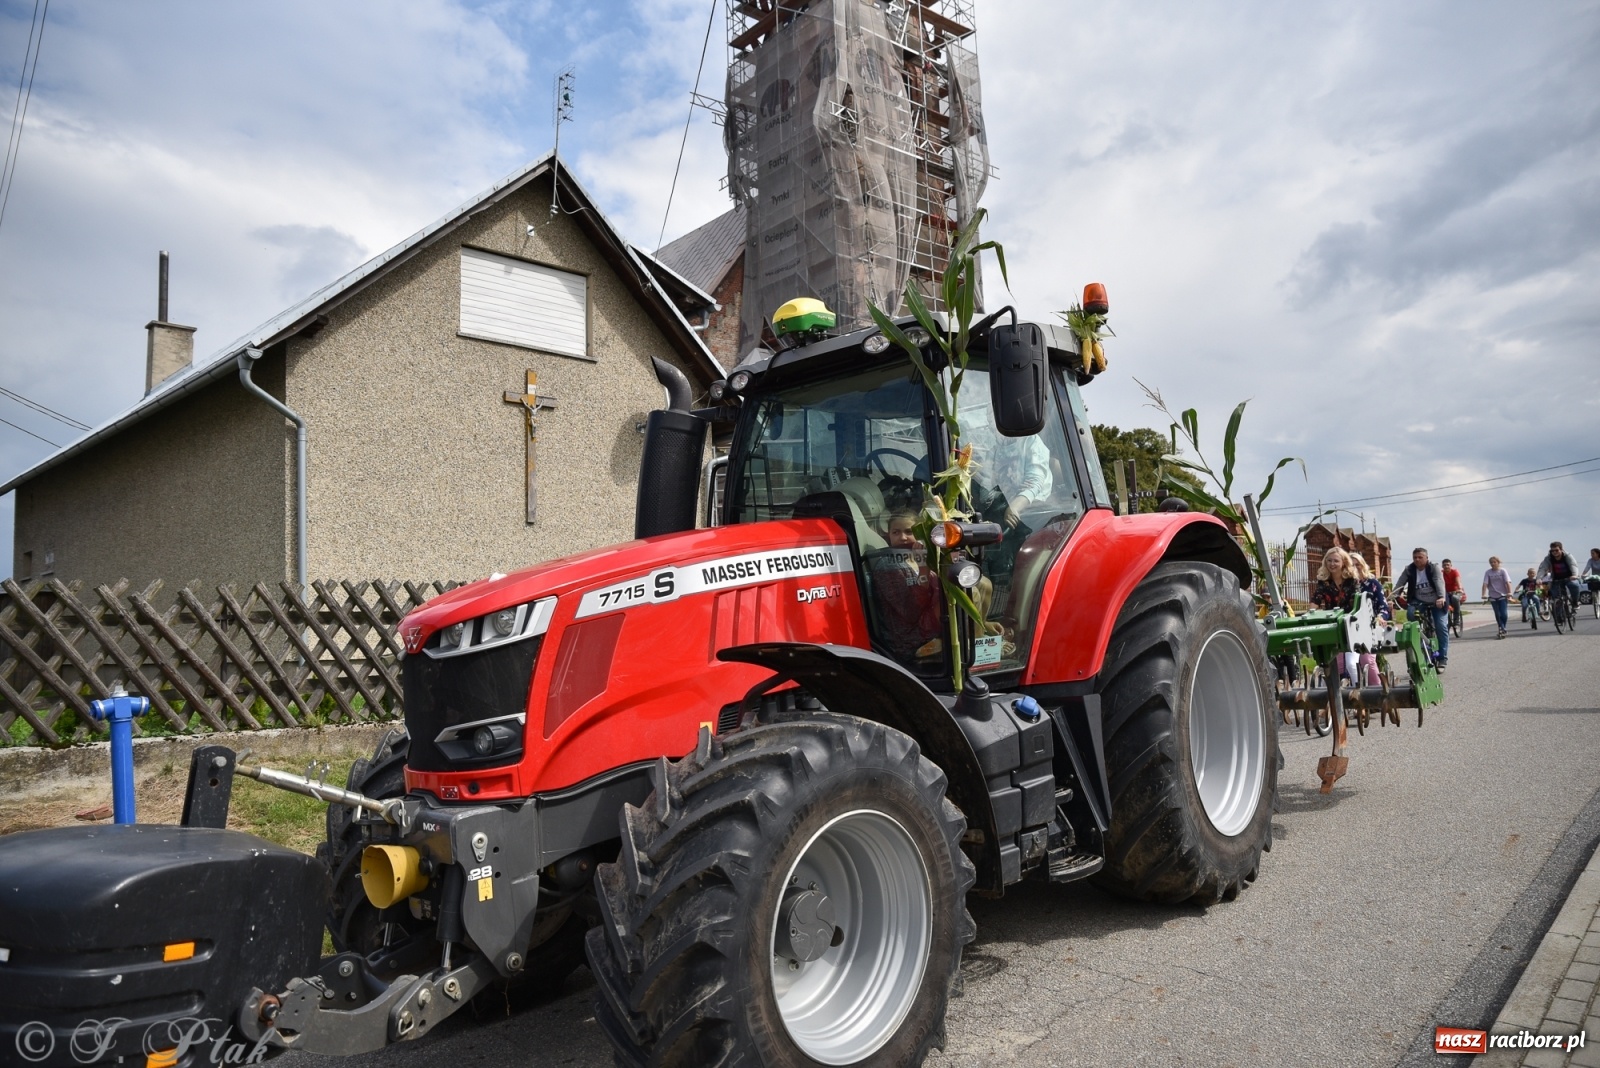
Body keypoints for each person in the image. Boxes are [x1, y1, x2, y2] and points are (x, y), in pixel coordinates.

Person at [867, 511, 942, 662]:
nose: (902, 537)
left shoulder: (925, 557)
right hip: (909, 638)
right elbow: (910, 613)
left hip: (928, 623)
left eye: (909, 531)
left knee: (982, 585)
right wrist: (923, 570)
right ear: (889, 535)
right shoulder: (888, 567)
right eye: (896, 532)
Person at [1393, 547, 1449, 670]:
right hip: (1419, 601)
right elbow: (1400, 583)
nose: (1417, 560)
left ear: (1426, 558)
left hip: (1437, 601)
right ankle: (1420, 638)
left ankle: (1442, 658)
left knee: (1441, 626)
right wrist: (1393, 596)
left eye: (1420, 557)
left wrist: (1440, 597)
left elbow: (1439, 581)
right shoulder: (1409, 569)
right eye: (1415, 558)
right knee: (1411, 614)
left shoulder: (1433, 568)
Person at [1312, 547, 1361, 682]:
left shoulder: (1352, 580)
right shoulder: (1324, 581)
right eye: (1329, 561)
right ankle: (1331, 694)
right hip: (1333, 625)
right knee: (1329, 664)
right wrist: (1310, 616)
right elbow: (1315, 601)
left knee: (1351, 664)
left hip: (1351, 625)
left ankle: (1361, 691)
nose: (1332, 564)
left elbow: (1358, 603)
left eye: (1336, 561)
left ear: (1344, 562)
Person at [1350, 554, 1390, 685]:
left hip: (1369, 628)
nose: (1355, 568)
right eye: (1351, 565)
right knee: (1340, 663)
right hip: (1349, 628)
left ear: (1363, 565)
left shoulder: (1372, 583)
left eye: (1358, 564)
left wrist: (1380, 617)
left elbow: (1383, 607)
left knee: (1366, 660)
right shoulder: (1345, 585)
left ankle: (1377, 694)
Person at [1536, 541, 1583, 623]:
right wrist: (1539, 578)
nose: (1554, 552)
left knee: (1574, 585)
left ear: (1561, 549)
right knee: (1557, 599)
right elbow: (1543, 568)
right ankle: (1559, 618)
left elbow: (1573, 565)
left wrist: (1574, 575)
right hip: (1556, 580)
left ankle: (1575, 602)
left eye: (1556, 550)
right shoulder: (1549, 558)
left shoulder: (1567, 556)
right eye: (1552, 551)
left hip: (1569, 578)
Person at [1481, 556, 1512, 639]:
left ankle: (1503, 627)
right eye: (1491, 562)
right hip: (1492, 595)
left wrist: (1509, 592)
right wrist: (1484, 594)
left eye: (1494, 562)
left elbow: (1507, 582)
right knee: (1497, 614)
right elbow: (1485, 584)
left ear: (1498, 562)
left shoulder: (1502, 571)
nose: (1492, 564)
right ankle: (1501, 628)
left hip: (1503, 595)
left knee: (1504, 614)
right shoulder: (1488, 572)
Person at [1442, 558, 1465, 630]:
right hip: (1445, 592)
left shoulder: (1454, 572)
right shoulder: (1441, 573)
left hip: (1456, 591)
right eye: (1444, 565)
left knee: (1455, 599)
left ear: (1451, 565)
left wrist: (1460, 589)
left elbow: (1458, 581)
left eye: (1448, 565)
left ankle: (1456, 621)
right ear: (1442, 566)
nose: (1446, 566)